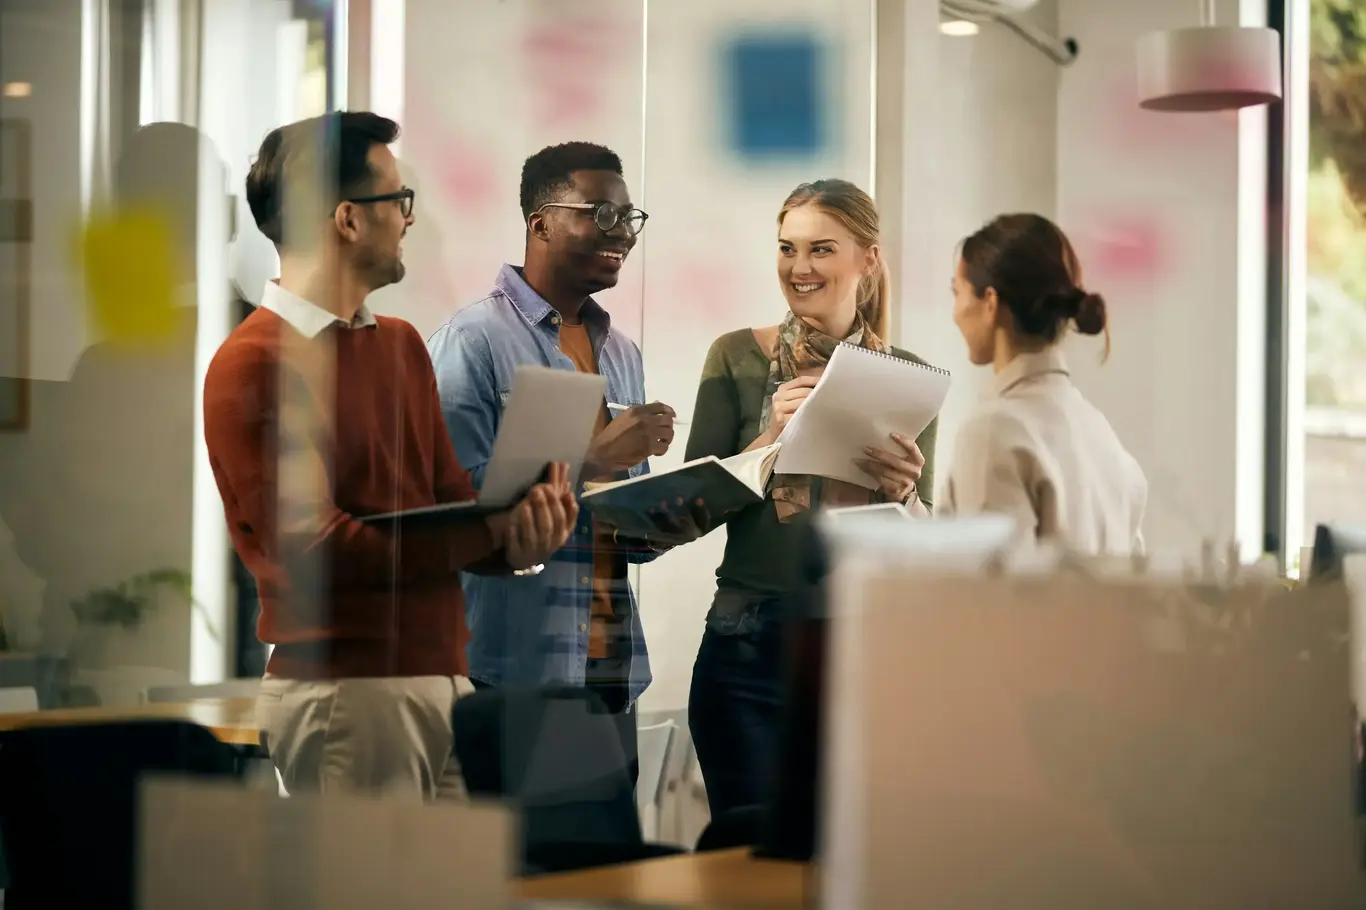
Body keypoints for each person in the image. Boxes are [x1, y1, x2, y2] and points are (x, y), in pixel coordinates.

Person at [202, 111, 577, 799]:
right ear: (346, 219)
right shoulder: (254, 363)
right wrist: (484, 529)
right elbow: (316, 546)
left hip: (441, 681)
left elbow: (447, 510)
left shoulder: (400, 345)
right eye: (397, 200)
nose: (409, 218)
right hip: (350, 690)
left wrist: (522, 536)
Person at [428, 142, 703, 786]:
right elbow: (457, 507)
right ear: (541, 222)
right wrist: (592, 457)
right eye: (600, 215)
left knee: (603, 877)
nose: (620, 236)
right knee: (510, 877)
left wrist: (673, 518)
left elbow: (613, 526)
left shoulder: (622, 353)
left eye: (628, 219)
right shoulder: (472, 342)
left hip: (609, 668)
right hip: (509, 666)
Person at [683, 179, 940, 817]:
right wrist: (770, 440)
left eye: (821, 249)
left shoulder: (908, 379)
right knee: (745, 865)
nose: (799, 268)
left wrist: (903, 495)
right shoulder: (735, 357)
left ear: (868, 259)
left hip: (859, 645)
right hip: (744, 645)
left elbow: (929, 540)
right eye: (787, 249)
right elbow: (688, 509)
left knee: (840, 868)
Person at [940, 212, 1146, 552]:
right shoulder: (1101, 434)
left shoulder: (993, 431)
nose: (955, 311)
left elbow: (992, 597)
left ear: (990, 303)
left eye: (957, 292)